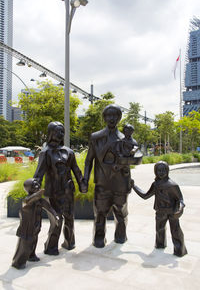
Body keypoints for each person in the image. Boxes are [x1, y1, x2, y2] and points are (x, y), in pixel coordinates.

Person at [84, 104, 133, 248]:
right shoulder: (96, 137)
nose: (112, 118)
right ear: (104, 118)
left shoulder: (126, 138)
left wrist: (129, 181)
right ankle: (99, 237)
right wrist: (85, 179)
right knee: (100, 212)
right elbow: (88, 161)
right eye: (108, 115)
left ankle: (121, 235)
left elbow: (131, 161)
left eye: (115, 115)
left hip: (121, 182)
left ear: (119, 118)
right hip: (102, 182)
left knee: (121, 211)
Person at [34, 121, 86, 255]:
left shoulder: (69, 152)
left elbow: (76, 170)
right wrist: (34, 189)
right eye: (57, 131)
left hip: (68, 190)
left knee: (70, 217)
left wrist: (82, 184)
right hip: (53, 192)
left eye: (62, 131)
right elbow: (39, 174)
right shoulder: (45, 153)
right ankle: (51, 247)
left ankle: (69, 242)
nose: (61, 134)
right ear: (51, 133)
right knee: (57, 219)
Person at [132, 161, 187, 257]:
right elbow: (145, 196)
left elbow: (180, 200)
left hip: (172, 212)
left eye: (163, 170)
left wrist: (180, 209)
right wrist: (134, 186)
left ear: (167, 171)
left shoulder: (172, 185)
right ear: (155, 172)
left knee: (175, 231)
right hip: (160, 211)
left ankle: (179, 250)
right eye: (158, 170)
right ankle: (160, 244)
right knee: (159, 229)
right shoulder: (155, 184)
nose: (161, 172)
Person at [12, 178, 59, 269]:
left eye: (37, 184)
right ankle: (18, 262)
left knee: (34, 241)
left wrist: (55, 216)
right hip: (27, 228)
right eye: (34, 185)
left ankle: (31, 256)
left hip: (36, 226)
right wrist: (38, 194)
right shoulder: (26, 201)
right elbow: (29, 200)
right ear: (29, 188)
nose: (37, 186)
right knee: (25, 245)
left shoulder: (40, 200)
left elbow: (49, 208)